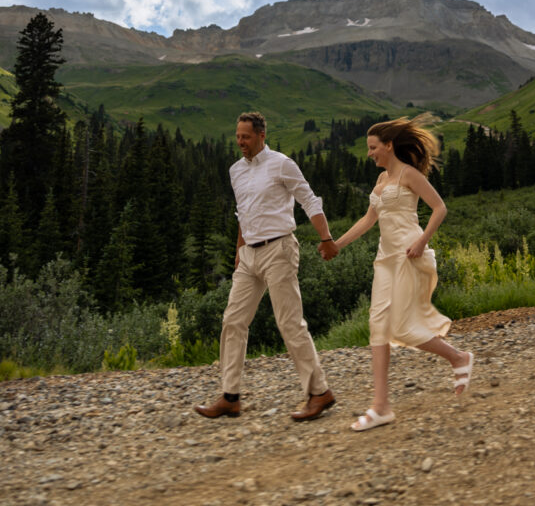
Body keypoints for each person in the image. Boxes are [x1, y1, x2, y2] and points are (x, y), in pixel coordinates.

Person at [328, 117, 473, 431]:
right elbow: (368, 220)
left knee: (403, 329)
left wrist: (423, 241)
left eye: (373, 148)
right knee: (377, 326)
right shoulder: (380, 182)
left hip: (409, 255)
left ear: (389, 145)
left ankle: (458, 358)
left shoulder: (409, 175)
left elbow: (440, 208)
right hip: (385, 260)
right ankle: (381, 407)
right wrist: (336, 244)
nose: (369, 154)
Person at [195, 111, 339, 422]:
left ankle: (319, 392)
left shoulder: (282, 164)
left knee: (289, 322)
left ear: (261, 135)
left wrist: (326, 238)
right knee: (233, 321)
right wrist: (239, 251)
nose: (240, 143)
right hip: (249, 255)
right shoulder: (236, 170)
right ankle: (230, 397)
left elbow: (309, 200)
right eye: (237, 137)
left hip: (279, 249)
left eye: (245, 137)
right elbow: (242, 214)